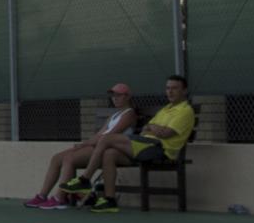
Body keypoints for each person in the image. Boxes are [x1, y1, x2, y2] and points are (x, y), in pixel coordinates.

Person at [62, 74, 197, 212]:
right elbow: (146, 128)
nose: (170, 91)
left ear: (184, 91)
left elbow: (166, 133)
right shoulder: (166, 109)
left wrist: (152, 128)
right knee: (109, 154)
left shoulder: (185, 111)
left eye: (174, 88)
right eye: (168, 88)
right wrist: (153, 128)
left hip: (160, 149)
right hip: (146, 144)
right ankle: (110, 200)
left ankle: (85, 180)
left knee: (107, 138)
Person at [23, 83, 142, 208]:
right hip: (97, 146)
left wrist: (85, 145)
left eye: (119, 95)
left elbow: (110, 136)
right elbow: (100, 134)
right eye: (113, 95)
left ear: (127, 96)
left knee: (69, 159)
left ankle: (60, 198)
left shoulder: (129, 114)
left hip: (111, 149)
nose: (115, 98)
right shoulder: (114, 115)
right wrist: (85, 144)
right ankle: (42, 196)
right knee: (57, 157)